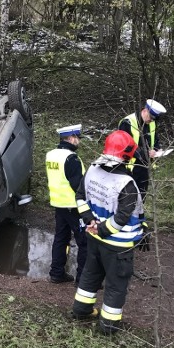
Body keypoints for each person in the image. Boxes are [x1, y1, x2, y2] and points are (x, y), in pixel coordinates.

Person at [72, 130, 145, 334]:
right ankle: (109, 326)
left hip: (93, 237)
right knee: (116, 284)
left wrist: (90, 222)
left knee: (90, 274)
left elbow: (80, 197)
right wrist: (103, 229)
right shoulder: (127, 183)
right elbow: (122, 218)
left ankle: (81, 310)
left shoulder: (92, 170)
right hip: (117, 245)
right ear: (127, 155)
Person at [45, 124, 88, 284]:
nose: (79, 141)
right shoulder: (72, 158)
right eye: (77, 138)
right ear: (71, 138)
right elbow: (78, 185)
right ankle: (83, 279)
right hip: (74, 205)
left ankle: (56, 273)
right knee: (84, 241)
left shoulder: (51, 155)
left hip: (58, 203)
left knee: (61, 238)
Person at [118, 99, 167, 198]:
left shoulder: (151, 123)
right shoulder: (127, 122)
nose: (151, 121)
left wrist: (156, 150)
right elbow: (124, 145)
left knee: (141, 195)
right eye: (151, 117)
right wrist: (145, 153)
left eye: (154, 119)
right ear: (144, 111)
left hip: (145, 166)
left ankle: (140, 213)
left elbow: (155, 140)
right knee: (128, 196)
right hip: (129, 167)